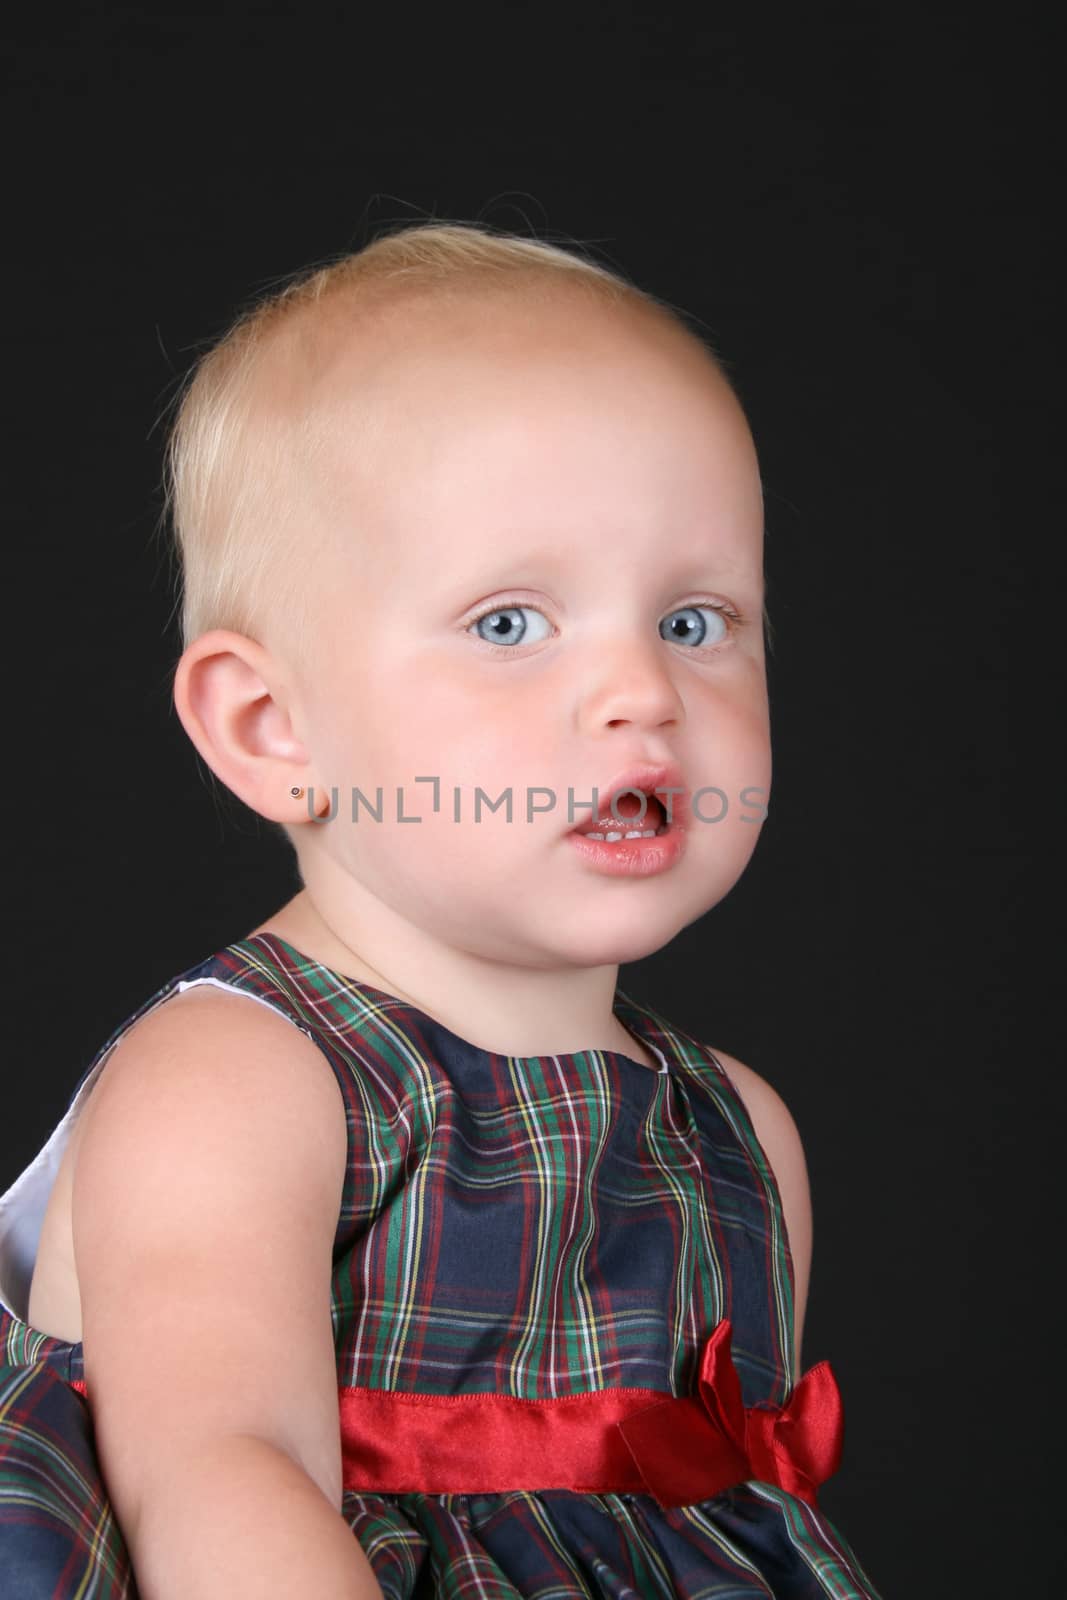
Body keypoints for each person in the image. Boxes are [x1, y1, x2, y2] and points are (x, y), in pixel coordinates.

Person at [0, 221, 882, 1598]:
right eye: (510, 624)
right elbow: (218, 1483)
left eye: (696, 622)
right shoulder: (237, 1083)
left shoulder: (735, 1133)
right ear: (274, 726)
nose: (642, 692)